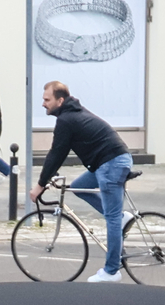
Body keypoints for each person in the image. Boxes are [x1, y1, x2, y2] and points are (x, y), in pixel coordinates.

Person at [33, 80, 132, 282]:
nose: (43, 103)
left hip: (111, 163)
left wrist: (40, 185)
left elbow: (56, 154)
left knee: (111, 219)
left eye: (47, 99)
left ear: (60, 100)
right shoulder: (72, 114)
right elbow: (59, 153)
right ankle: (122, 218)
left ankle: (112, 271)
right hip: (109, 161)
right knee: (78, 187)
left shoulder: (66, 119)